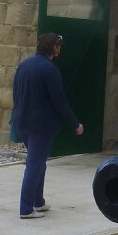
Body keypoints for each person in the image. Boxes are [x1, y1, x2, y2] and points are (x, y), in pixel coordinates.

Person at [10, 32, 82, 220]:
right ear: (54, 48)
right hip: (40, 125)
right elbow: (59, 101)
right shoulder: (50, 70)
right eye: (59, 46)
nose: (60, 49)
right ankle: (26, 208)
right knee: (35, 164)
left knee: (39, 162)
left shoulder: (24, 65)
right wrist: (75, 123)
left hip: (21, 121)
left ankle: (38, 201)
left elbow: (16, 92)